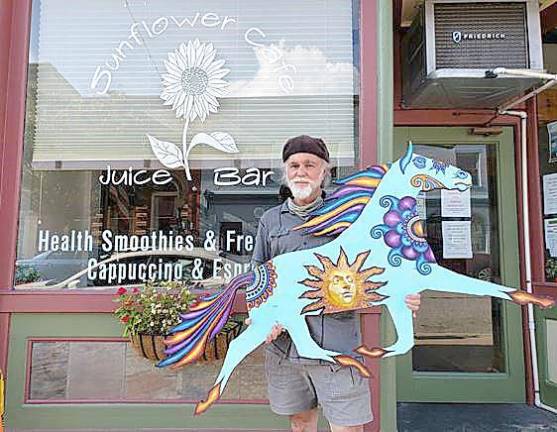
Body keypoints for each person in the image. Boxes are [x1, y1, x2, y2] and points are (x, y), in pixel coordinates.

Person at [250, 135, 421, 432]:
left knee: (348, 427)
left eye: (309, 164)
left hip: (336, 346)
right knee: (301, 424)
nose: (301, 171)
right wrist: (264, 318)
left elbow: (380, 263)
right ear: (285, 171)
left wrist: (403, 290)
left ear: (324, 172)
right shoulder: (270, 221)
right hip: (285, 350)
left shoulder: (349, 216)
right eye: (294, 165)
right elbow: (258, 277)